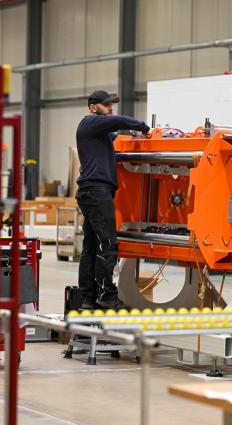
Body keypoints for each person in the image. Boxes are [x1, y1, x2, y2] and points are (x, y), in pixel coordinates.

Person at [75, 90, 150, 310]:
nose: (110, 109)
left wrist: (141, 137)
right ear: (93, 107)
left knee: (90, 246)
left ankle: (88, 298)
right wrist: (144, 127)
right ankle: (108, 296)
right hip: (96, 192)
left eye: (111, 106)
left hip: (92, 193)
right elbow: (119, 121)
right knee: (108, 244)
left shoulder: (101, 134)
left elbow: (120, 136)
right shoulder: (89, 123)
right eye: (106, 105)